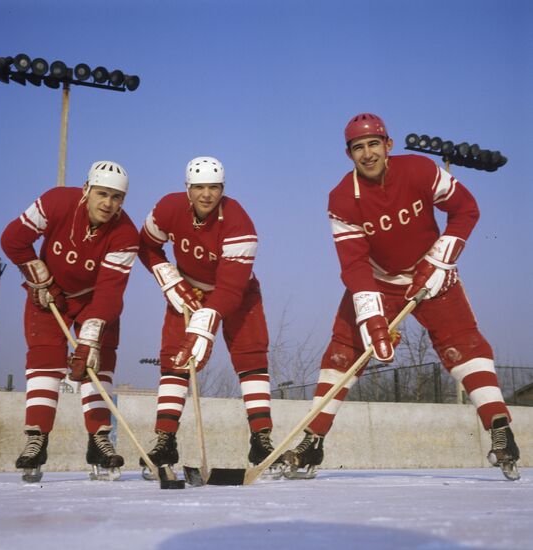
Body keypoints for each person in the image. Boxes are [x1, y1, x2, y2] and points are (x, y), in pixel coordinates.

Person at [283, 113, 520, 480]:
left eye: (373, 144)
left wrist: (441, 259)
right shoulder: (342, 198)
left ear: (388, 145)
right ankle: (313, 439)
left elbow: (465, 210)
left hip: (434, 275)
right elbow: (354, 263)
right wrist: (371, 314)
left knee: (463, 346)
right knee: (343, 352)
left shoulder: (420, 171)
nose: (367, 154)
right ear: (349, 155)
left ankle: (500, 429)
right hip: (378, 281)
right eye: (358, 148)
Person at [138, 156, 280, 474]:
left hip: (237, 292)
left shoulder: (239, 221)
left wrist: (206, 322)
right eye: (199, 187)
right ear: (187, 189)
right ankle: (165, 439)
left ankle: (261, 439)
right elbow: (145, 245)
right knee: (176, 358)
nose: (206, 194)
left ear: (222, 189)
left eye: (213, 187)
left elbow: (230, 288)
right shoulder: (167, 209)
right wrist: (168, 277)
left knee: (251, 357)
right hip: (188, 291)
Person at [1, 161, 139, 482]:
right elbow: (12, 240)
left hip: (95, 301)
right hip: (50, 296)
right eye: (102, 194)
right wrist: (38, 275)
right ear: (86, 190)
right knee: (44, 360)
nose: (108, 203)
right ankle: (37, 438)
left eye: (117, 198)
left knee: (96, 363)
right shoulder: (55, 202)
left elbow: (109, 292)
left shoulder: (126, 234)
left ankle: (99, 438)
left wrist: (90, 338)